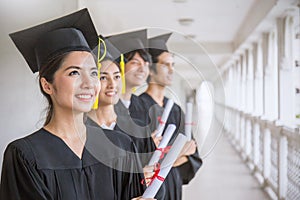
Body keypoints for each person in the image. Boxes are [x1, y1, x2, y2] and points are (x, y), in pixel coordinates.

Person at [0, 9, 154, 200]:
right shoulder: (25, 156)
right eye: (74, 72)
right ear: (47, 85)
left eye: (93, 73)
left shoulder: (120, 146)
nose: (89, 84)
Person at [86, 36, 165, 199]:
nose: (112, 84)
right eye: (103, 77)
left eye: (116, 76)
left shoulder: (135, 130)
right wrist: (136, 176)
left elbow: (156, 184)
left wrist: (142, 179)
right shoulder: (81, 133)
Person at [137, 33, 203, 200]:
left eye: (173, 64)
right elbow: (139, 160)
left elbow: (191, 153)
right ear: (150, 69)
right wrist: (177, 155)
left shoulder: (175, 109)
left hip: (173, 184)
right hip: (148, 189)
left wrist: (167, 158)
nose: (172, 70)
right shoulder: (136, 108)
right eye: (166, 65)